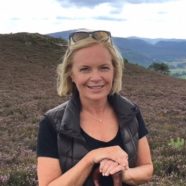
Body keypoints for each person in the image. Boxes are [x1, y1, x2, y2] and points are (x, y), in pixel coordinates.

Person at [36, 30, 153, 186]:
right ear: (72, 74)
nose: (96, 77)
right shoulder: (52, 123)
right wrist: (92, 157)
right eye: (85, 69)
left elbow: (147, 168)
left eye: (104, 68)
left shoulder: (130, 112)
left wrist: (123, 174)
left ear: (114, 71)